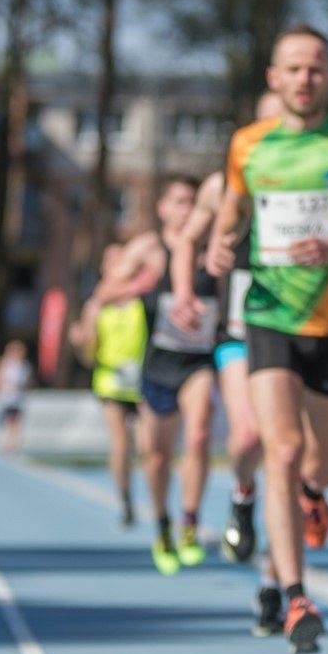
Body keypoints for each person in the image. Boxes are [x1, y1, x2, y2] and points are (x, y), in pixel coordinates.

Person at [208, 24, 328, 654]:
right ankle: (294, 595)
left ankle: (312, 498)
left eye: (315, 68)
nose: (304, 79)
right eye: (293, 69)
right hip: (268, 316)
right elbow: (233, 214)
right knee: (281, 452)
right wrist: (217, 241)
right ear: (274, 77)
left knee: (321, 467)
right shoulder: (248, 146)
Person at [170, 92, 281, 568]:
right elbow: (187, 240)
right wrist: (184, 293)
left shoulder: (317, 176)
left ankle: (281, 569)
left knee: (294, 450)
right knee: (248, 437)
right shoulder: (222, 184)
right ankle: (243, 491)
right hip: (236, 326)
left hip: (296, 321)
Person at [92, 175, 213, 575]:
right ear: (161, 208)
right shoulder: (147, 249)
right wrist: (142, 282)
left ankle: (190, 524)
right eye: (179, 201)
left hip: (199, 360)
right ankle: (162, 524)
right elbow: (103, 295)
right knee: (157, 457)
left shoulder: (211, 244)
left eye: (193, 202)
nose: (187, 209)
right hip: (158, 363)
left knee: (198, 434)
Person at [69, 243, 148, 527]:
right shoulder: (95, 305)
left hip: (143, 379)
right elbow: (88, 354)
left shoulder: (143, 294)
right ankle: (126, 498)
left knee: (149, 445)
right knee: (120, 444)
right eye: (112, 261)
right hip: (111, 381)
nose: (119, 265)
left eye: (122, 259)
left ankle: (153, 497)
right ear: (105, 268)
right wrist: (82, 341)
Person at [0, 340, 33, 454]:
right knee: (9, 421)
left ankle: (13, 444)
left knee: (16, 422)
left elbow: (29, 382)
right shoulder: (2, 363)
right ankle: (8, 444)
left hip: (19, 398)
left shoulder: (25, 366)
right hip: (5, 398)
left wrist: (24, 389)